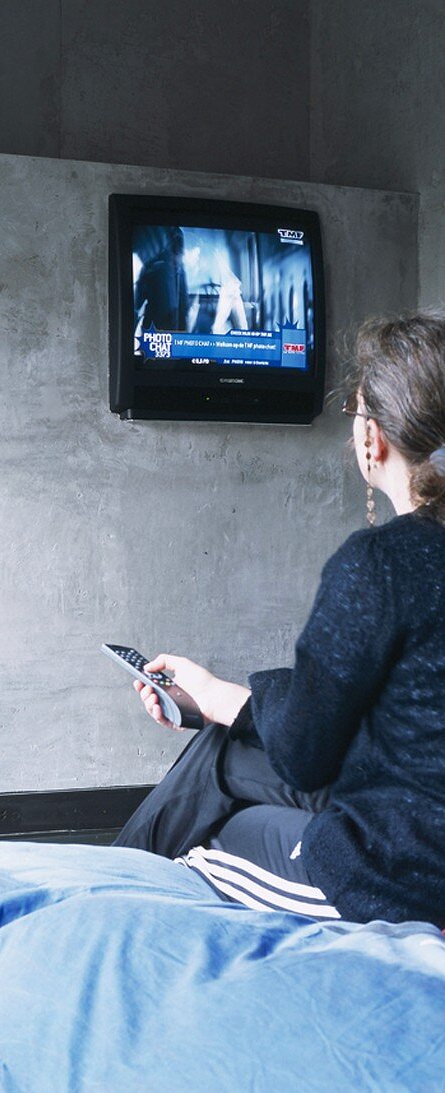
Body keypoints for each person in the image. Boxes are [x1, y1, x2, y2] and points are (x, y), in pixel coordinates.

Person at [115, 310, 445, 928]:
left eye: (352, 416)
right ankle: (93, 890)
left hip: (403, 878)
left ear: (372, 439)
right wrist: (211, 702)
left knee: (209, 839)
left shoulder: (383, 563)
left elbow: (306, 759)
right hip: (415, 807)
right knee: (220, 750)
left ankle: (97, 911)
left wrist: (218, 696)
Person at [135, 227, 190, 332]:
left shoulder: (152, 265)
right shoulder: (155, 266)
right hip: (162, 331)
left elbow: (138, 301)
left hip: (160, 331)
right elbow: (185, 303)